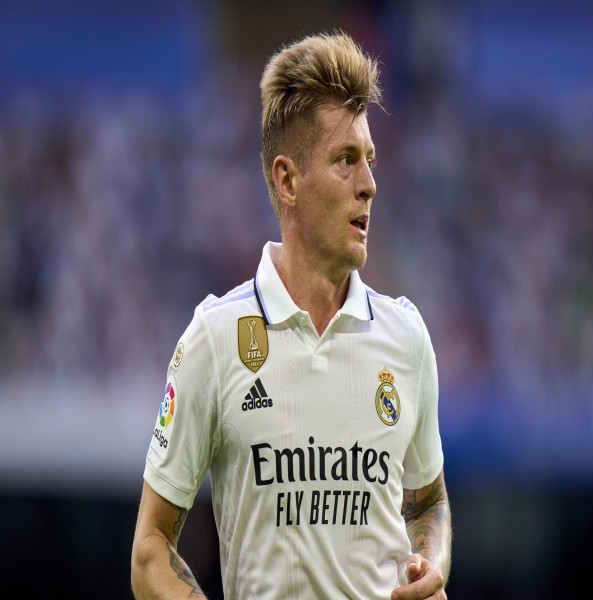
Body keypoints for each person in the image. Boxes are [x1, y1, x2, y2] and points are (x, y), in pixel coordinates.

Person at [131, 31, 452, 600]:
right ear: (287, 180)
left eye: (371, 161)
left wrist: (432, 562)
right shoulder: (216, 337)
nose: (370, 185)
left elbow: (430, 503)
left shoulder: (406, 337)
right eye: (346, 161)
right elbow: (150, 549)